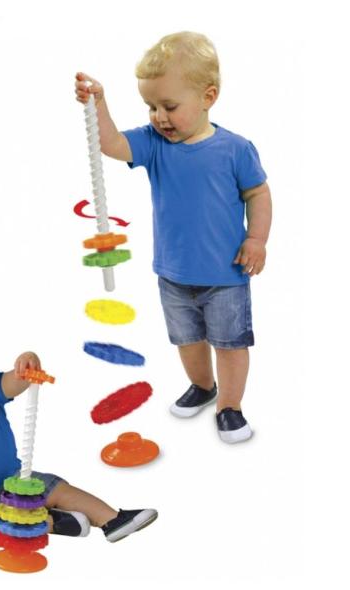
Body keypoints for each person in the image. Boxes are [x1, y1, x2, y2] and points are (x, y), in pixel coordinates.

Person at [74, 31, 273, 443]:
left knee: (230, 345)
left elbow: (258, 193)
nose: (159, 117)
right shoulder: (154, 144)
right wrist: (99, 104)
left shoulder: (235, 149)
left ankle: (230, 406)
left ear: (208, 96)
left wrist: (256, 239)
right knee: (188, 340)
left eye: (169, 106)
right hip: (173, 274)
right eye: (151, 107)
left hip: (226, 274)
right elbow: (111, 144)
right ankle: (202, 386)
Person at [0, 320, 158, 543]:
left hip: (14, 479)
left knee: (57, 488)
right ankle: (53, 522)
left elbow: (17, 381)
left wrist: (27, 361)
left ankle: (112, 520)